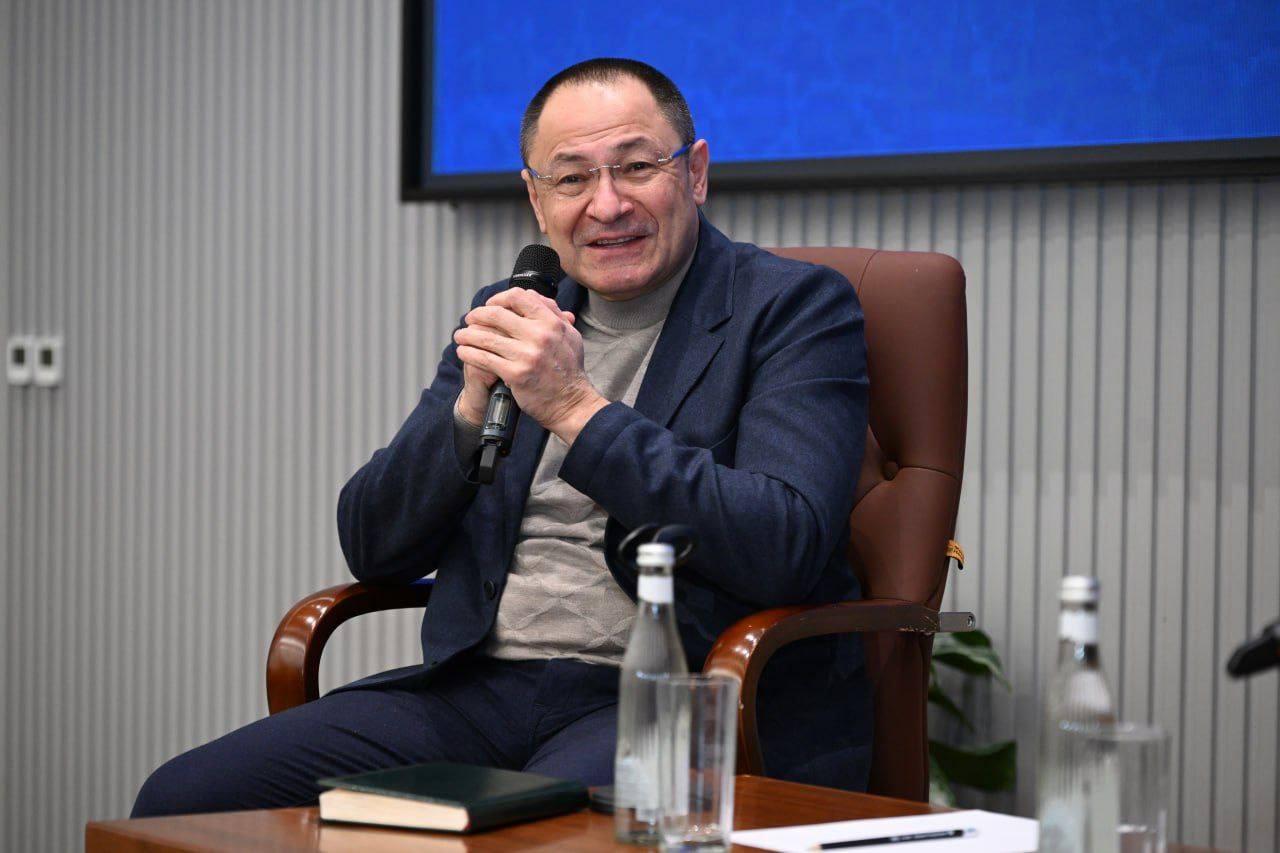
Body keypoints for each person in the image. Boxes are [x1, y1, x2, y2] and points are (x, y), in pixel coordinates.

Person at [131, 58, 871, 817]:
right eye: (572, 178)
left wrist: (575, 407)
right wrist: (465, 412)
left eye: (636, 167)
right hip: (474, 691)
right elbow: (374, 546)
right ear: (537, 200)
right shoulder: (516, 312)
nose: (607, 204)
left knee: (534, 833)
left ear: (695, 172)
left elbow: (783, 542)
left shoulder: (793, 308)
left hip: (664, 690)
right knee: (183, 798)